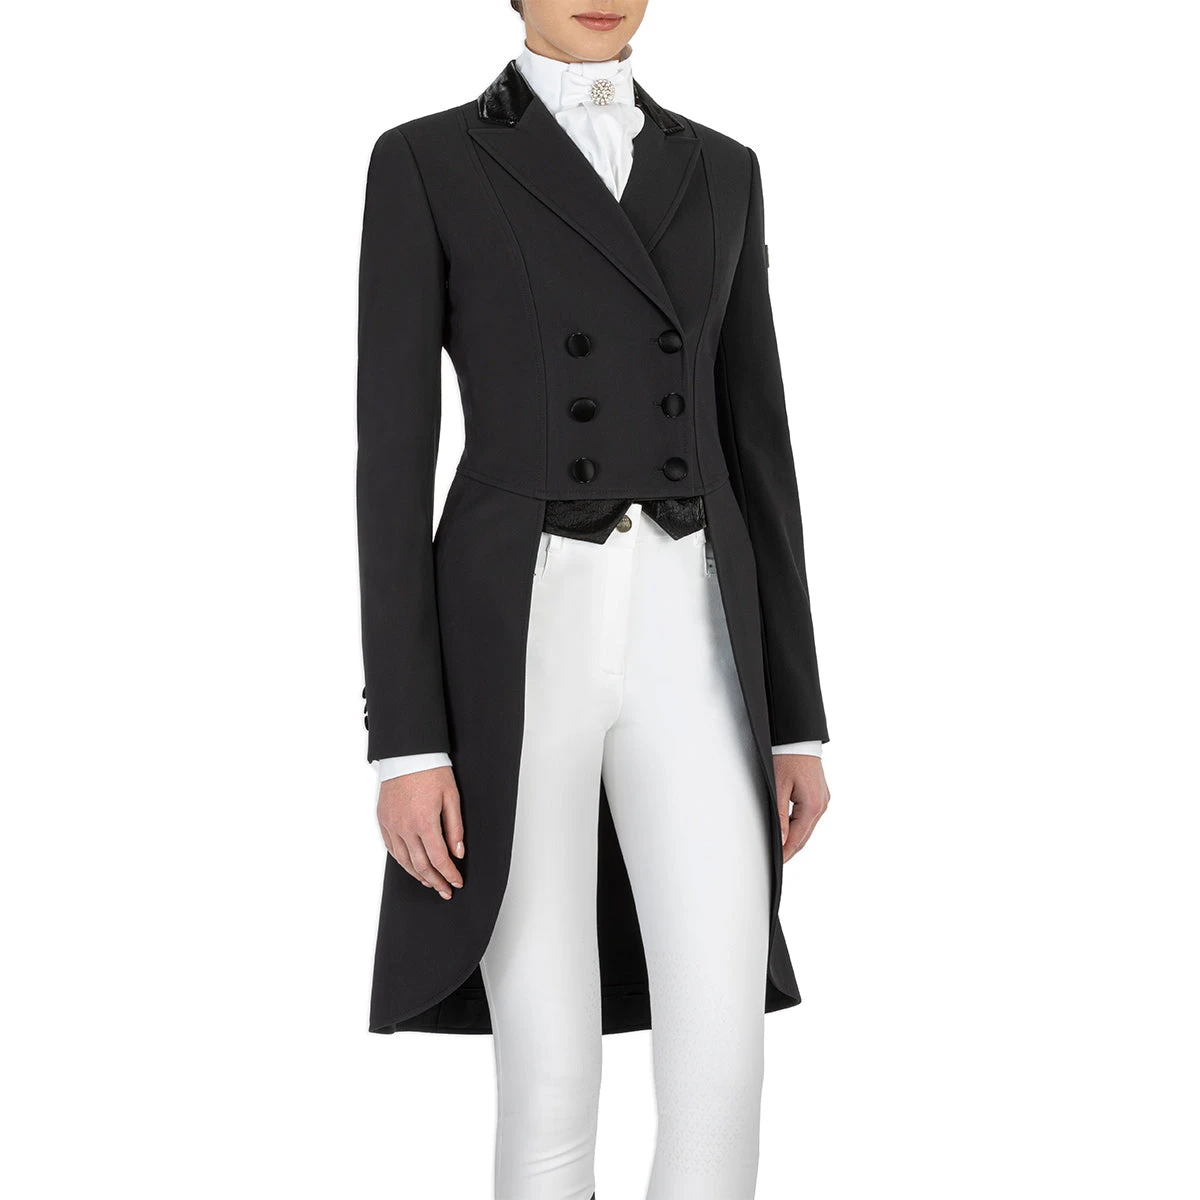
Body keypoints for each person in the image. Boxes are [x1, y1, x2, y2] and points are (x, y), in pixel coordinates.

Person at [356, 2, 831, 1196]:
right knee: (551, 1067)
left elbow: (758, 448)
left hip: (695, 626)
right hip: (519, 633)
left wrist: (797, 720)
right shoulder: (425, 159)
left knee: (722, 1053)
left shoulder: (723, 167)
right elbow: (390, 461)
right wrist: (406, 742)